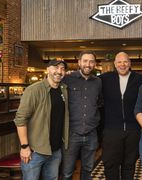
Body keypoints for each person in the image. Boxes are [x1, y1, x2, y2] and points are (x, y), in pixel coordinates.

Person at [14, 60, 68, 180]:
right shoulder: (34, 90)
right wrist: (24, 147)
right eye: (55, 67)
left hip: (55, 150)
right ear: (48, 69)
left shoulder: (64, 89)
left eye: (62, 68)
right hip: (35, 151)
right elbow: (20, 119)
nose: (59, 71)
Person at [99, 52, 142, 179]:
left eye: (125, 62)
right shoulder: (105, 79)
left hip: (133, 130)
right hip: (111, 130)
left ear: (130, 64)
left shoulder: (139, 79)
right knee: (110, 164)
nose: (122, 65)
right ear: (115, 64)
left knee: (129, 164)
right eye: (119, 62)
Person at [62, 50, 102, 180]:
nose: (88, 64)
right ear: (79, 62)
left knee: (88, 170)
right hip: (71, 133)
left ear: (95, 64)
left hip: (91, 133)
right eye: (85, 61)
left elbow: (99, 102)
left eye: (91, 61)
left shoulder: (98, 82)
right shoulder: (67, 79)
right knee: (67, 171)